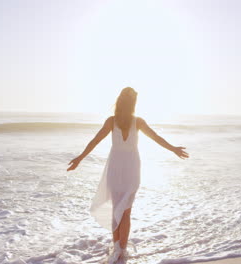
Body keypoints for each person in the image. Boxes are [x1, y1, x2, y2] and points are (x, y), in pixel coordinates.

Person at [67, 87, 189, 263]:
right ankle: (121, 251)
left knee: (117, 209)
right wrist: (174, 149)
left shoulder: (111, 121)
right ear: (133, 104)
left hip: (115, 169)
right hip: (132, 169)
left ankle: (117, 248)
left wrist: (80, 158)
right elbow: (157, 138)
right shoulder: (138, 122)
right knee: (125, 211)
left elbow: (95, 141)